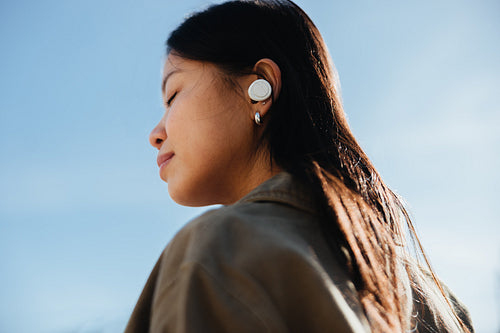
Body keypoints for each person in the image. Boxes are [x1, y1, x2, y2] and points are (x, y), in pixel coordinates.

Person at [125, 1, 474, 332]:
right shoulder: (440, 303)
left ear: (259, 88)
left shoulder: (218, 250)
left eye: (172, 96)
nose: (156, 134)